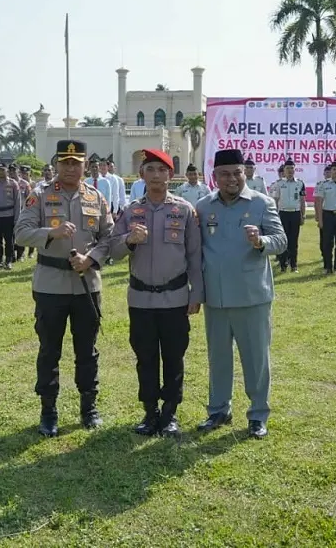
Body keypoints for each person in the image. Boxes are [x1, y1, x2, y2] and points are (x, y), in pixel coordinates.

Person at [14, 140, 114, 438]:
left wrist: (92, 258)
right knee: (49, 350)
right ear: (57, 164)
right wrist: (51, 233)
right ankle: (49, 411)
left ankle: (89, 408)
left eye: (76, 162)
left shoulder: (96, 197)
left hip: (87, 286)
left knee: (88, 350)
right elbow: (20, 234)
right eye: (65, 162)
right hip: (50, 285)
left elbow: (109, 237)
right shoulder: (40, 195)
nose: (70, 168)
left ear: (86, 166)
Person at [109, 149, 202, 437]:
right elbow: (112, 249)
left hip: (175, 298)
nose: (157, 175)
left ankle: (170, 413)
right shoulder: (131, 211)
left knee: (174, 357)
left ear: (170, 175)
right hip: (141, 299)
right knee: (145, 357)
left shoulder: (185, 210)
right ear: (142, 175)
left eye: (162, 170)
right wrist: (129, 240)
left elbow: (195, 255)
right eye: (150, 169)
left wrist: (196, 293)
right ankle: (150, 412)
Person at [195, 148, 286, 439]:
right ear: (215, 176)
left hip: (251, 296)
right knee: (218, 358)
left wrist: (261, 241)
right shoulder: (204, 206)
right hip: (217, 297)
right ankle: (218, 410)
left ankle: (258, 413)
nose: (232, 179)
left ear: (245, 172)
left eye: (237, 172)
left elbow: (281, 239)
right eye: (224, 174)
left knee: (256, 358)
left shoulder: (262, 203)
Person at [271, 159, 306, 273]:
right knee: (283, 240)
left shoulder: (300, 183)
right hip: (283, 214)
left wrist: (303, 215)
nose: (290, 171)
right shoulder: (279, 183)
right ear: (284, 171)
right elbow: (275, 200)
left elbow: (302, 200)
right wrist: (275, 215)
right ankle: (283, 265)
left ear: (295, 170)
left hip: (295, 213)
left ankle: (294, 265)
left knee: (293, 241)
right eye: (287, 168)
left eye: (292, 168)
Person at [0, 162, 21, 269]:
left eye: (3, 170)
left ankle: (8, 260)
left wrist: (17, 218)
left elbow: (18, 202)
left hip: (9, 216)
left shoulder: (13, 184)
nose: (1, 172)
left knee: (9, 240)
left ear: (7, 171)